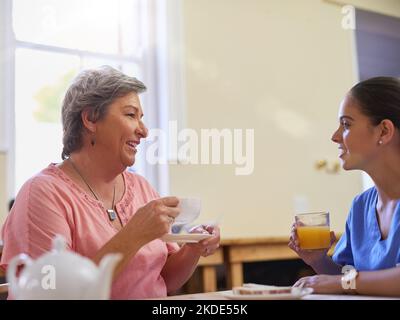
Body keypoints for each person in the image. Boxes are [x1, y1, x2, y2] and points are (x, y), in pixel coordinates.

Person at [0, 66, 220, 299]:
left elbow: (164, 278)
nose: (144, 131)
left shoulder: (142, 188)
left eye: (141, 118)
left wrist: (193, 248)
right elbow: (52, 293)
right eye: (130, 115)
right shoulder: (42, 193)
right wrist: (134, 234)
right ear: (90, 119)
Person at [289, 77, 400, 297]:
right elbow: (348, 275)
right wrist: (319, 261)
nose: (335, 136)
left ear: (384, 131)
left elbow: (347, 282)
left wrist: (341, 282)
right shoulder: (361, 207)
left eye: (346, 124)